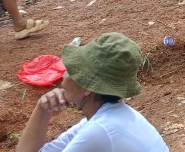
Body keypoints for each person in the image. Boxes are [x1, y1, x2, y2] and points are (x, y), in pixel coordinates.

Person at [17, 33, 168, 151]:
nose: (63, 77)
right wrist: (42, 109)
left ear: (88, 88)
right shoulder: (109, 116)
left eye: (71, 71)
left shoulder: (100, 129)